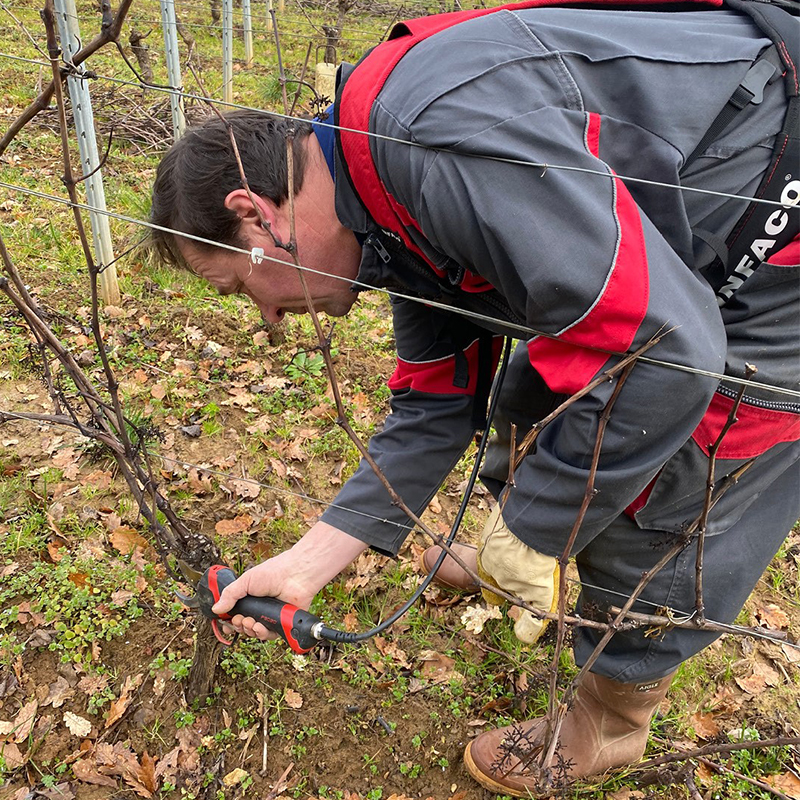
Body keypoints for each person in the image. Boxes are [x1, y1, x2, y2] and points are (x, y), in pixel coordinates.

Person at [150, 0, 799, 793]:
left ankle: (609, 723)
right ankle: (522, 561)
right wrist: (308, 564)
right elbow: (437, 400)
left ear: (254, 216)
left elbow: (667, 353)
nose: (271, 318)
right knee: (539, 396)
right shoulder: (376, 185)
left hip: (777, 215)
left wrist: (534, 527)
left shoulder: (433, 145)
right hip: (704, 209)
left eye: (243, 288)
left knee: (694, 457)